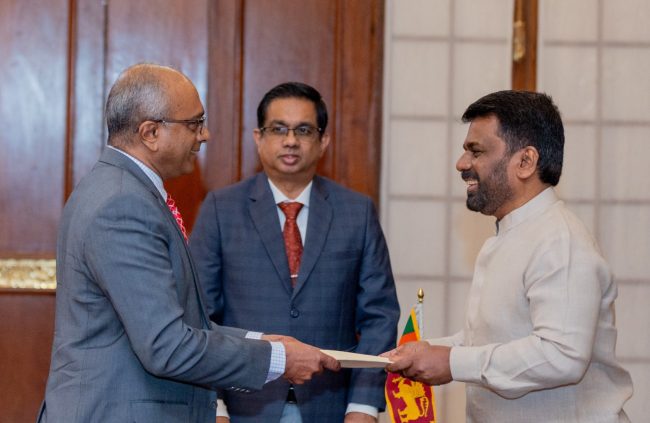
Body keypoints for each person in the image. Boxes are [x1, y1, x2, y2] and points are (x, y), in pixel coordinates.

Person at [37, 64, 339, 423]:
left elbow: (186, 325)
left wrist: (266, 342)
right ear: (150, 132)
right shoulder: (122, 204)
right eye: (194, 124)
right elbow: (167, 346)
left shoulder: (122, 190)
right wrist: (279, 360)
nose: (205, 135)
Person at [384, 90, 633, 422]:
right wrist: (429, 351)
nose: (462, 164)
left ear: (526, 161)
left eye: (476, 151)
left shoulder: (560, 240)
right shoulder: (508, 235)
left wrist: (452, 362)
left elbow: (562, 356)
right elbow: (494, 339)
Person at [190, 81, 400, 423]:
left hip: (332, 407)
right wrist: (215, 407)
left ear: (323, 141)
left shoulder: (356, 212)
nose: (290, 140)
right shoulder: (220, 210)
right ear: (258, 138)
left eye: (303, 130)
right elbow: (200, 316)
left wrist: (362, 407)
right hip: (243, 408)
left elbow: (379, 316)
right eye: (278, 129)